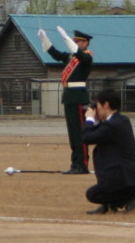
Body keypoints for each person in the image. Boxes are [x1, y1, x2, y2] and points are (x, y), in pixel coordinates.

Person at [80, 90, 135, 214]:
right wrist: (96, 120)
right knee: (103, 185)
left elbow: (87, 138)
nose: (96, 109)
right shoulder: (121, 120)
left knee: (92, 194)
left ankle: (130, 198)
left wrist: (90, 119)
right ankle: (109, 204)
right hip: (134, 177)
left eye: (98, 106)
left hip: (126, 179)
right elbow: (101, 132)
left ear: (106, 105)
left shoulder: (113, 125)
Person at [41, 26, 95, 175]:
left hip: (78, 96)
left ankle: (82, 164)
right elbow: (57, 55)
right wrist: (45, 39)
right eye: (74, 41)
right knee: (72, 134)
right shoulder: (73, 58)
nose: (76, 43)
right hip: (69, 96)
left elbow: (79, 55)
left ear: (85, 43)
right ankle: (75, 163)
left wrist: (66, 39)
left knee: (79, 133)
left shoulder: (86, 57)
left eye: (78, 41)